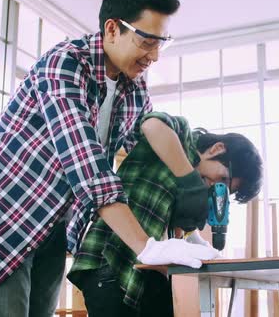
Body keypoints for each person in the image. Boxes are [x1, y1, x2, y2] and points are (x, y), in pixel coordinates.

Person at [0, 0, 218, 315]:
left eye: (161, 43)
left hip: (52, 222)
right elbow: (88, 169)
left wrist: (188, 187)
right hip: (3, 213)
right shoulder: (65, 66)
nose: (154, 56)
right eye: (147, 41)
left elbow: (144, 152)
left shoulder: (133, 87)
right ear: (112, 29)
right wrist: (146, 247)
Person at [68, 112, 264, 316]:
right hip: (111, 262)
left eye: (225, 189)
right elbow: (151, 125)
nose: (216, 188)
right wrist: (188, 179)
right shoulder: (181, 134)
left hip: (147, 275)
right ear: (217, 148)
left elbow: (167, 238)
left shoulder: (197, 195)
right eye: (221, 179)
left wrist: (193, 241)